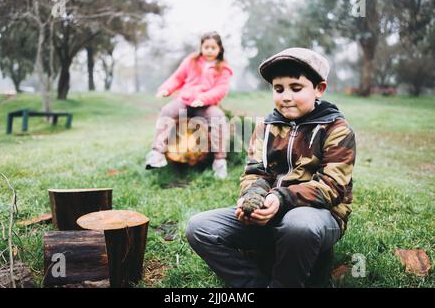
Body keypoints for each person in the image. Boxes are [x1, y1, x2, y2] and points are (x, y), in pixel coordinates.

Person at [186, 47, 356, 287]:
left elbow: (332, 186)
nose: (286, 96)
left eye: (296, 88)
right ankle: (255, 284)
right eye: (279, 89)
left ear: (319, 89)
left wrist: (280, 198)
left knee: (298, 225)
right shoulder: (265, 127)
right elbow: (255, 172)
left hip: (318, 216)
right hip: (270, 211)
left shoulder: (336, 130)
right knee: (199, 228)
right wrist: (253, 196)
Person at [145, 31, 233, 179]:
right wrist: (166, 89)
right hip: (185, 101)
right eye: (206, 47)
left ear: (219, 49)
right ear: (201, 47)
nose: (210, 51)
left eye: (213, 47)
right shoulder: (191, 61)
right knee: (167, 111)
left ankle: (219, 161)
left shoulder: (223, 68)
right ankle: (157, 153)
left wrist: (204, 99)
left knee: (218, 117)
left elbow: (221, 89)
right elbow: (177, 78)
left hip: (205, 105)